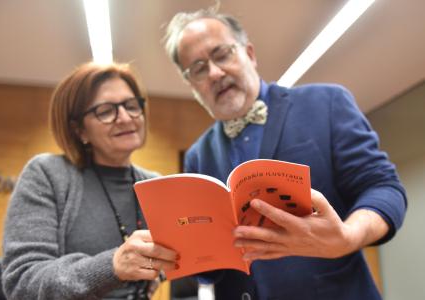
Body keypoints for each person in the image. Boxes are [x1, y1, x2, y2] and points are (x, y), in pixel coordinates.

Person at [163, 6, 407, 300]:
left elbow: (383, 187)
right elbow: (211, 270)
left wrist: (348, 237)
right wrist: (185, 251)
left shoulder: (327, 103)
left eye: (222, 54)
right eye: (199, 68)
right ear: (192, 85)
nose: (215, 73)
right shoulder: (196, 156)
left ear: (249, 54)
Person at [1, 62, 179, 300]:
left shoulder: (156, 183)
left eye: (131, 105)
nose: (125, 117)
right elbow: (22, 281)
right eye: (106, 111)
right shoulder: (47, 174)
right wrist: (112, 266)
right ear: (79, 130)